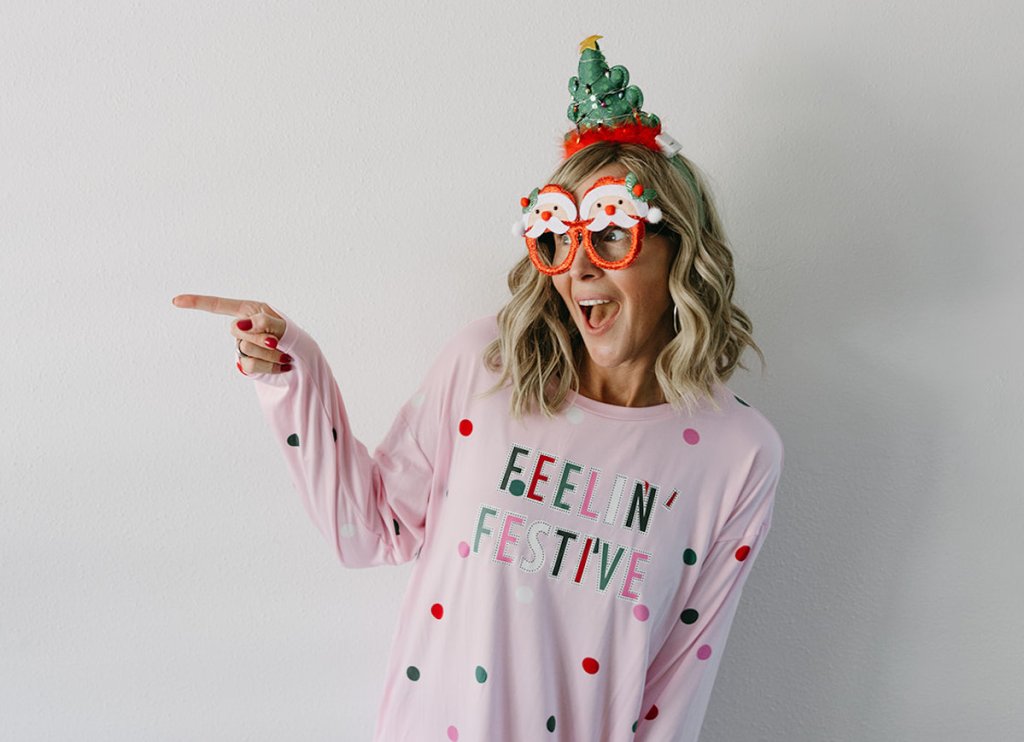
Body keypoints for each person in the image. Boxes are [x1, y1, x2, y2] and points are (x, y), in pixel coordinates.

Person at [173, 36, 783, 742]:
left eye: (612, 235)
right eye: (557, 238)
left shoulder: (737, 455)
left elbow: (678, 683)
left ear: (679, 247)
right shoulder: (486, 369)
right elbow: (367, 530)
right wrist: (292, 372)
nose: (580, 270)